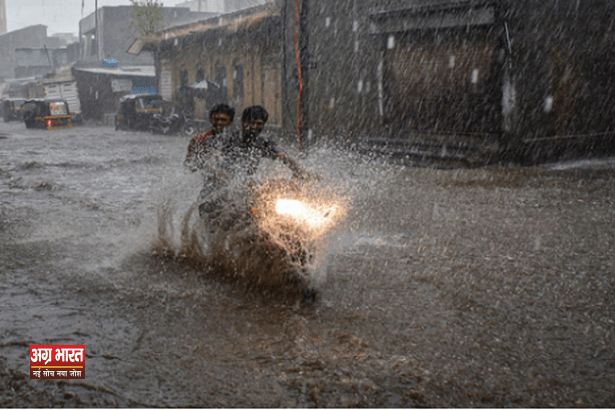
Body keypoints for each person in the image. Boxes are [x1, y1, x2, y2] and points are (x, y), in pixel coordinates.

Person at [184, 103, 235, 172]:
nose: (219, 122)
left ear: (231, 122)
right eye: (216, 119)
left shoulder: (236, 141)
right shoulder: (199, 140)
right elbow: (189, 167)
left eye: (223, 120)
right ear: (210, 120)